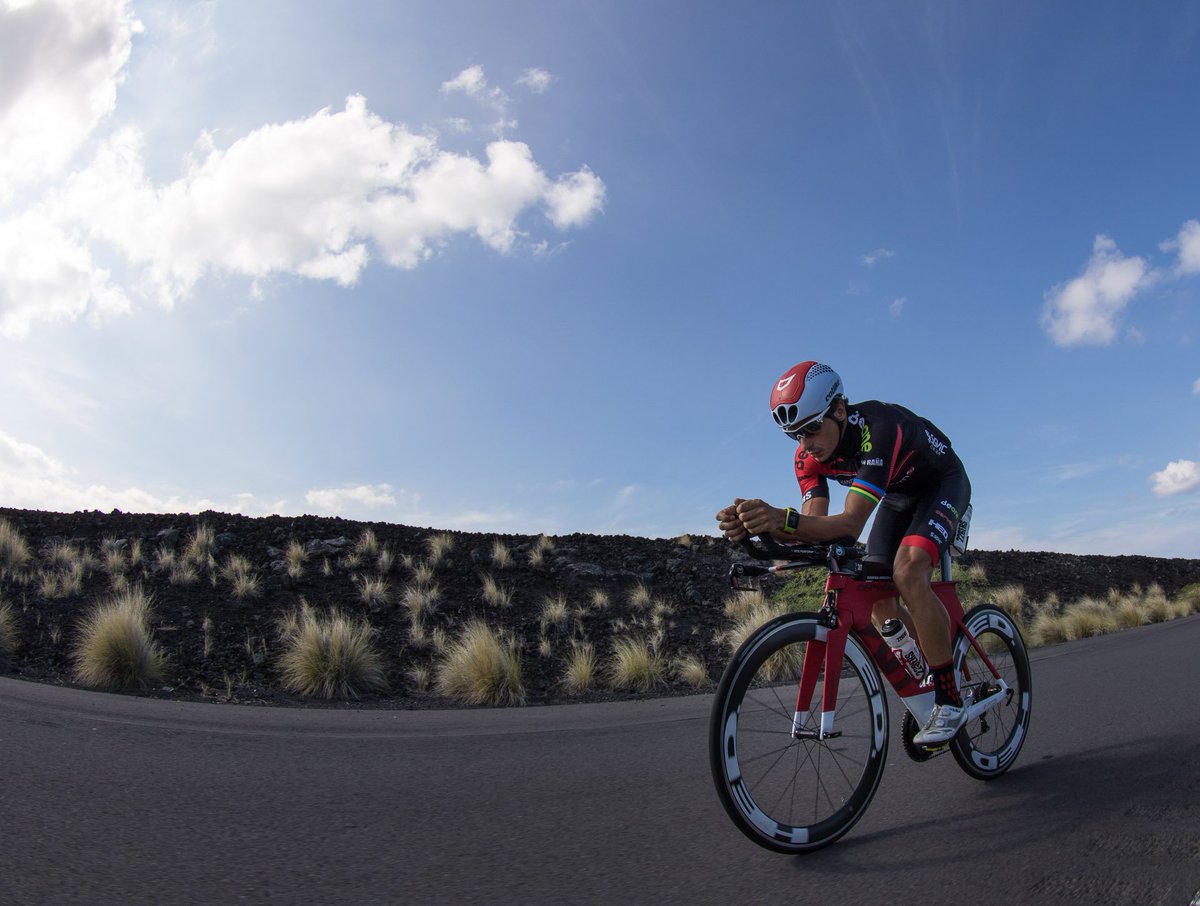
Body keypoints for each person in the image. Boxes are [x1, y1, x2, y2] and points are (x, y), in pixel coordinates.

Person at [715, 360, 972, 746]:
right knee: (877, 597)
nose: (806, 445)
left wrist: (779, 518)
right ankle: (927, 663)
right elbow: (813, 526)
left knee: (907, 572)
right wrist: (757, 528)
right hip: (899, 495)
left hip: (941, 483)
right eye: (795, 436)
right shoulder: (807, 459)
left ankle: (950, 699)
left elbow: (850, 524)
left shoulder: (877, 428)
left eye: (812, 429)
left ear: (838, 410)